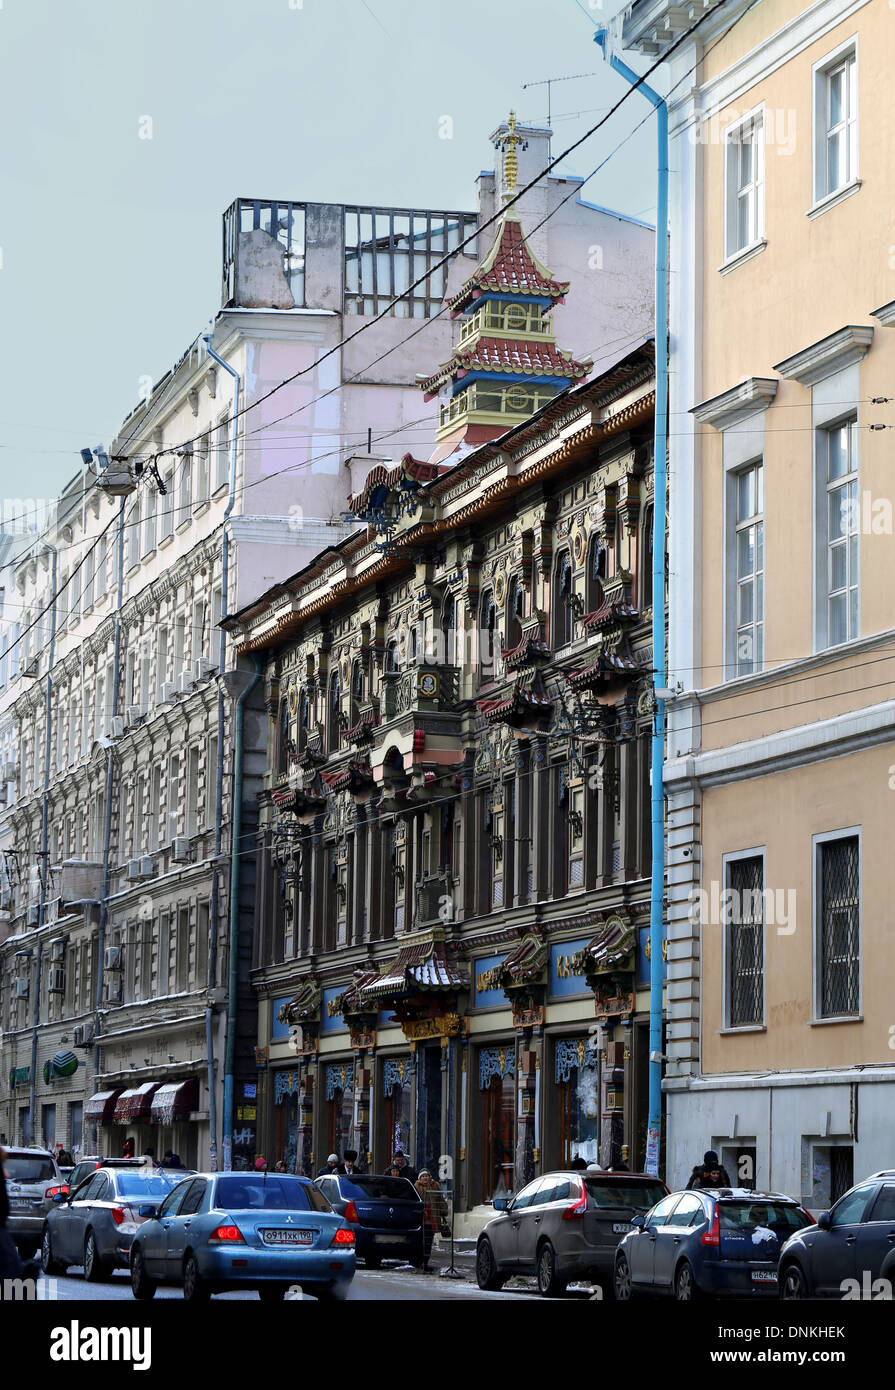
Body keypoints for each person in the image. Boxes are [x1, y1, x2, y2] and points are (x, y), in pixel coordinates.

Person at [414, 1170, 449, 1271]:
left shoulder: (435, 1185)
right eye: (423, 1176)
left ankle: (425, 1263)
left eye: (427, 1176)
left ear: (430, 1177)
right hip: (420, 1219)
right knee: (420, 1242)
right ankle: (418, 1262)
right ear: (420, 1178)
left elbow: (440, 1199)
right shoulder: (416, 1186)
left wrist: (443, 1210)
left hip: (432, 1217)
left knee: (428, 1242)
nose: (425, 1178)